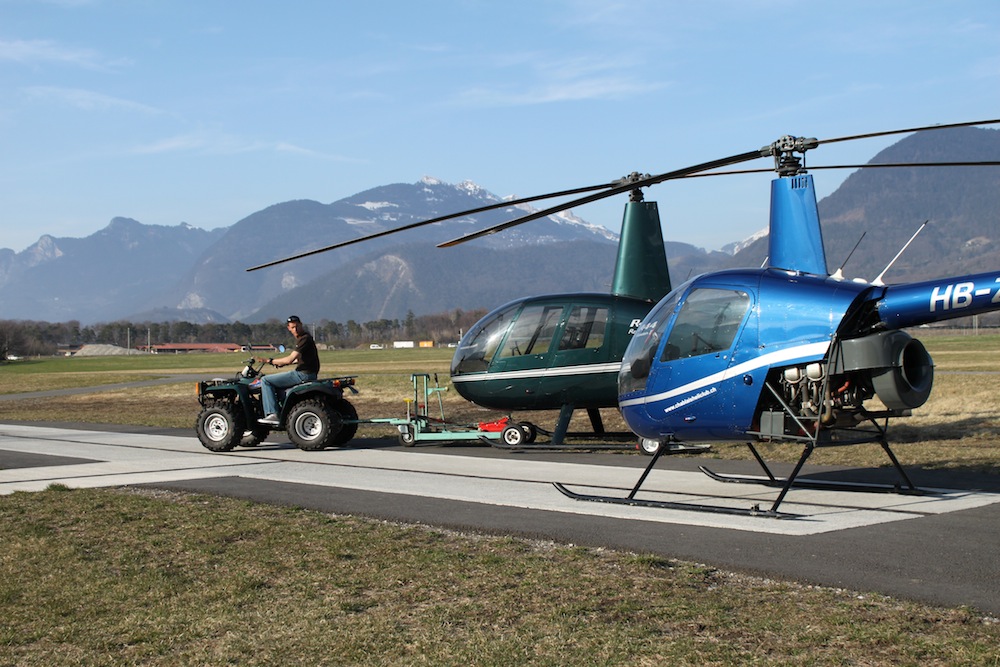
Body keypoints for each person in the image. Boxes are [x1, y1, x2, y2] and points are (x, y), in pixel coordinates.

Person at [255, 315, 320, 425]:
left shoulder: (304, 339)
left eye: (297, 326)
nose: (295, 329)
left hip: (303, 374)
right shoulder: (305, 338)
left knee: (266, 380)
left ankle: (272, 414)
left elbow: (290, 359)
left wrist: (269, 361)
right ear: (289, 328)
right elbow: (299, 360)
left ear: (301, 325)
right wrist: (280, 364)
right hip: (308, 373)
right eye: (293, 327)